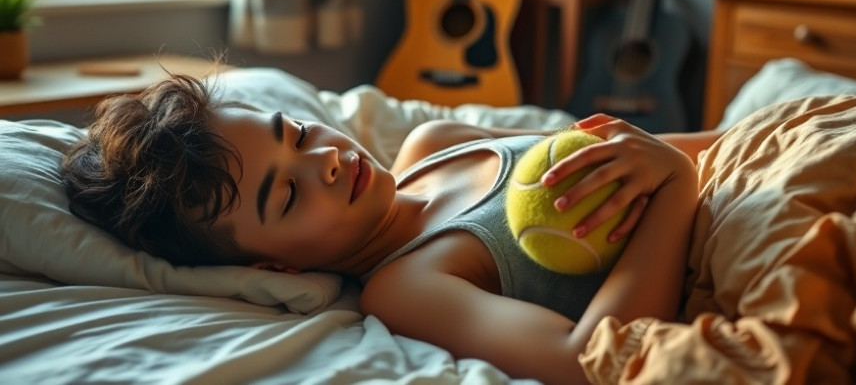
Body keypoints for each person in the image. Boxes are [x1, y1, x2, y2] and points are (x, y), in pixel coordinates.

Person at [61, 73, 721, 385]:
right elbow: (585, 362)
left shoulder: (437, 141)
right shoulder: (408, 284)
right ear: (275, 269)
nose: (324, 159)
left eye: (293, 134)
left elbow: (641, 151)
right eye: (287, 194)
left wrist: (710, 150)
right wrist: (676, 191)